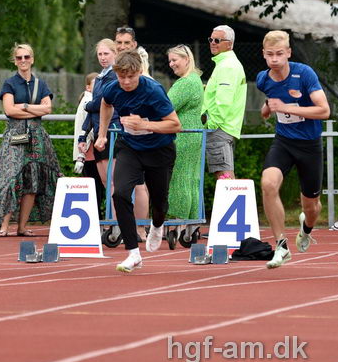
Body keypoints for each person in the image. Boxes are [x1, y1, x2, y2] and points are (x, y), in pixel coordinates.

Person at [93, 49, 181, 273]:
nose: (125, 82)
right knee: (120, 193)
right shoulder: (112, 87)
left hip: (159, 150)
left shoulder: (153, 90)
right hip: (130, 147)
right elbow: (105, 104)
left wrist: (144, 125)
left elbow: (175, 124)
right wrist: (102, 134)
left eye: (130, 77)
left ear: (140, 72)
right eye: (121, 76)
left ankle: (157, 225)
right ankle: (133, 253)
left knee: (159, 203)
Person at [254, 31, 331, 269]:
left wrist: (286, 107)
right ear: (264, 54)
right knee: (268, 183)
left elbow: (324, 111)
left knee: (311, 207)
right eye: (270, 54)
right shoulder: (263, 79)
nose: (275, 59)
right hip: (284, 142)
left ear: (288, 52)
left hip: (309, 145)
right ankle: (281, 246)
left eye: (279, 54)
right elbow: (269, 101)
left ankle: (306, 229)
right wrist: (267, 108)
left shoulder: (304, 74)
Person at [0, 44, 61, 236]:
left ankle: (22, 227)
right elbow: (9, 110)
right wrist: (35, 110)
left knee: (33, 181)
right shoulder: (10, 83)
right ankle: (4, 226)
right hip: (15, 135)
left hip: (36, 137)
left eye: (26, 57)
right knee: (9, 177)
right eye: (19, 57)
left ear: (32, 59)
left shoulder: (41, 84)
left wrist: (25, 106)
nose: (23, 60)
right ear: (15, 61)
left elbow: (48, 109)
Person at [79, 38, 150, 235]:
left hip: (118, 131)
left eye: (106, 54)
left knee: (132, 183)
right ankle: (116, 225)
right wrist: (84, 136)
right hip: (102, 132)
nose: (103, 57)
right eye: (100, 54)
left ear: (115, 54)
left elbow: (102, 102)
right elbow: (95, 110)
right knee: (108, 183)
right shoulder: (101, 76)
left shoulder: (116, 76)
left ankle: (137, 227)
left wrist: (87, 105)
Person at [166, 45, 204, 228]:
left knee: (179, 177)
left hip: (182, 134)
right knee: (191, 178)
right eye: (170, 61)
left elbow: (165, 105)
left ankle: (177, 219)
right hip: (194, 132)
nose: (171, 64)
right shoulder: (196, 79)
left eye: (175, 60)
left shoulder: (185, 83)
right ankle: (191, 221)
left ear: (187, 59)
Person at [202, 24, 247, 180]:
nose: (213, 43)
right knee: (224, 178)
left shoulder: (227, 66)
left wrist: (211, 125)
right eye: (211, 39)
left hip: (219, 128)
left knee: (224, 178)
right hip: (224, 127)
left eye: (217, 40)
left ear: (229, 44)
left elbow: (224, 101)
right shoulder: (226, 64)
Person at [73, 72, 99, 174]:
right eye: (95, 84)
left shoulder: (86, 100)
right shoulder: (89, 101)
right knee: (94, 181)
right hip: (88, 150)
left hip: (85, 150)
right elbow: (90, 128)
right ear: (88, 87)